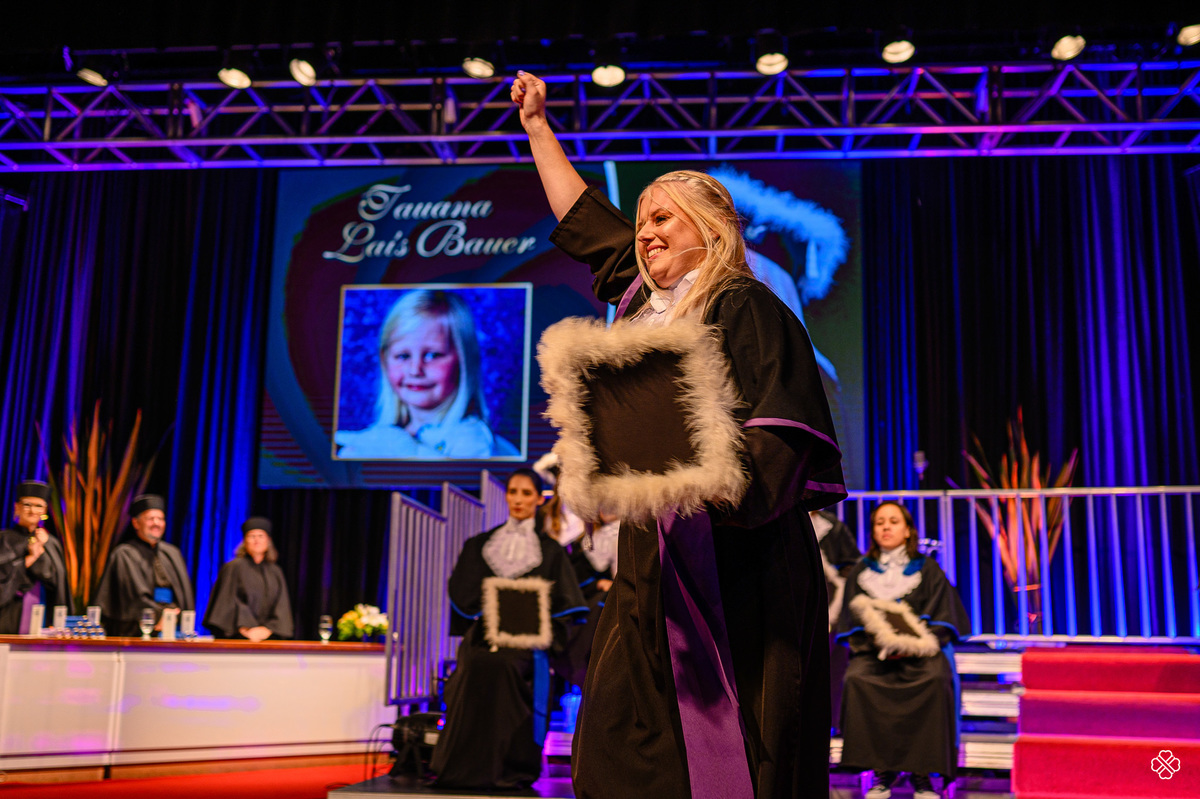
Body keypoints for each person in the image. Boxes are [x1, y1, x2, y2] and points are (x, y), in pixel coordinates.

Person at [512, 71, 846, 799]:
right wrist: (538, 128)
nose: (646, 231)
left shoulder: (748, 306)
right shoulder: (643, 301)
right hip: (649, 567)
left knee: (743, 749)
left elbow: (778, 441)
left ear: (714, 227)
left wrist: (694, 493)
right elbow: (587, 221)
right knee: (619, 743)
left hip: (737, 569)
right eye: (642, 221)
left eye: (665, 217)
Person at [430, 468, 587, 789]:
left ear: (538, 499)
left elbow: (566, 604)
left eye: (526, 493)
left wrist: (541, 636)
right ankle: (464, 768)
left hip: (528, 648)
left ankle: (507, 769)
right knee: (476, 665)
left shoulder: (551, 552)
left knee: (507, 668)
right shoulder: (480, 545)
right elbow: (463, 592)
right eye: (513, 492)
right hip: (484, 638)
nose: (518, 499)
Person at [835, 502, 970, 799]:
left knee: (935, 680)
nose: (886, 527)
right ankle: (881, 772)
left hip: (921, 657)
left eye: (893, 521)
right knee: (856, 679)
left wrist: (913, 645)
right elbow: (851, 622)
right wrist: (879, 645)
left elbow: (944, 617)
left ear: (908, 530)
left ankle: (921, 774)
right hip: (875, 656)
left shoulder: (928, 569)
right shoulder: (861, 571)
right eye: (879, 522)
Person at [335, 289, 518, 459]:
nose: (415, 370)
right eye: (403, 356)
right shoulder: (374, 441)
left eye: (432, 355)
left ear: (464, 361)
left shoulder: (476, 444)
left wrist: (410, 451)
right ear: (384, 360)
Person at [95, 494, 195, 637]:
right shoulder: (124, 554)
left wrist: (175, 614)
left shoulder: (173, 553)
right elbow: (132, 597)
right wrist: (159, 615)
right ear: (136, 523)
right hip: (135, 631)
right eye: (150, 518)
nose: (157, 523)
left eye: (160, 519)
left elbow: (184, 595)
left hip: (172, 627)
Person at [810, 508, 861, 732]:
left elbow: (852, 562)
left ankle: (829, 724)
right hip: (793, 601)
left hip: (831, 606)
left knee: (831, 665)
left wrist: (839, 585)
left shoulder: (832, 526)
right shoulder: (782, 519)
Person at [203, 517, 294, 641]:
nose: (257, 540)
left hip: (269, 637)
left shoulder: (275, 571)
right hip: (238, 635)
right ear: (245, 541)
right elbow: (226, 602)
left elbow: (281, 606)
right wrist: (247, 628)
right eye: (252, 536)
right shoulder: (233, 567)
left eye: (261, 536)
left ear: (268, 540)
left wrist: (267, 629)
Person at [0, 480, 70, 633]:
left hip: (41, 610)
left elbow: (54, 579)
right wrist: (30, 558)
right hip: (8, 613)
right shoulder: (4, 539)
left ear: (44, 510)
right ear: (16, 507)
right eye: (27, 505)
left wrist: (41, 552)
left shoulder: (51, 543)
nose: (32, 510)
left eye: (38, 506)